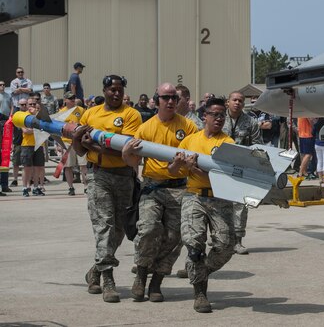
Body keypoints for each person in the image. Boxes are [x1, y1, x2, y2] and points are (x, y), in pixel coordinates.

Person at [121, 83, 198, 302]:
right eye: (166, 97)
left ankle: (157, 281)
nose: (171, 101)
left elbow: (194, 159)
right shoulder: (146, 128)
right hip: (153, 187)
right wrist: (126, 155)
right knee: (148, 229)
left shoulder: (189, 127)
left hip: (179, 188)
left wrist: (181, 167)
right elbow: (133, 160)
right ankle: (141, 275)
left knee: (175, 237)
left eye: (174, 97)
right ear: (157, 100)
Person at [73, 75, 142, 303]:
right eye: (112, 90)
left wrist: (93, 145)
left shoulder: (131, 114)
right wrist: (77, 140)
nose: (116, 94)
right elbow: (81, 150)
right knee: (104, 225)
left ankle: (95, 270)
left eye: (119, 90)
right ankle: (108, 279)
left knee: (120, 229)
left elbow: (126, 150)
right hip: (98, 175)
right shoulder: (90, 114)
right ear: (104, 90)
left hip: (124, 176)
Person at [168, 97, 235, 313]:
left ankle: (200, 270)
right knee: (194, 244)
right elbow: (173, 171)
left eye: (222, 115)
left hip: (218, 199)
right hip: (193, 196)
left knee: (225, 246)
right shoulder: (189, 141)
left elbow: (217, 178)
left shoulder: (228, 144)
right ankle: (200, 294)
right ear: (204, 116)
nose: (219, 119)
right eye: (214, 114)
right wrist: (179, 165)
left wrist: (193, 169)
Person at [223, 91, 263, 255]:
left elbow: (257, 146)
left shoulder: (250, 122)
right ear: (228, 102)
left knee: (240, 205)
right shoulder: (218, 118)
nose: (237, 103)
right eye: (234, 100)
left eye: (240, 100)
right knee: (220, 204)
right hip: (221, 167)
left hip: (241, 168)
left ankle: (238, 241)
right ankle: (222, 239)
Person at [58, 91, 87, 195]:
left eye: (74, 98)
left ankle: (86, 186)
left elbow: (86, 123)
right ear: (65, 100)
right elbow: (57, 129)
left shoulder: (81, 110)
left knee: (83, 164)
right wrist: (58, 144)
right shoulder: (61, 112)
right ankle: (71, 188)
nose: (72, 100)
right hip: (66, 142)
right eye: (70, 98)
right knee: (68, 166)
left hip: (79, 141)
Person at [20, 96, 46, 196]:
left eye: (34, 104)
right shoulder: (23, 116)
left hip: (39, 144)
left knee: (37, 168)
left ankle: (36, 187)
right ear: (26, 105)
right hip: (27, 145)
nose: (32, 106)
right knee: (27, 168)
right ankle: (25, 188)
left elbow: (44, 128)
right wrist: (38, 129)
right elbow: (26, 131)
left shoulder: (39, 116)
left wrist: (35, 130)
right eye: (30, 104)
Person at [10, 99, 27, 187]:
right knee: (16, 163)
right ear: (19, 106)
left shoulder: (29, 115)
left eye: (25, 104)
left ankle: (28, 180)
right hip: (17, 142)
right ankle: (15, 179)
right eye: (22, 105)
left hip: (27, 142)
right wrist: (11, 143)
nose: (24, 106)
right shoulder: (15, 116)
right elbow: (11, 129)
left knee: (27, 163)